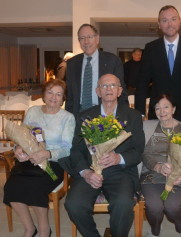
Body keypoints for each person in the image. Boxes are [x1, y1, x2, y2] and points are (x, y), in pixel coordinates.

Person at [60, 74, 145, 237]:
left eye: (113, 85)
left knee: (123, 204)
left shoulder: (133, 116)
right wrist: (85, 172)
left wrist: (117, 158)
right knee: (73, 204)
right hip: (90, 171)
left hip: (120, 172)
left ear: (120, 91)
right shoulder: (85, 116)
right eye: (104, 86)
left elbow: (137, 151)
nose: (108, 89)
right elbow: (76, 150)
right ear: (97, 91)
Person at [4, 79, 75, 237]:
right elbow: (21, 135)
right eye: (50, 92)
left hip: (52, 163)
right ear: (43, 94)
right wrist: (18, 150)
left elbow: (67, 148)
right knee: (11, 188)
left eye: (58, 94)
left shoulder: (68, 118)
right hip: (29, 160)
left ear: (63, 98)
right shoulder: (33, 111)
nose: (53, 97)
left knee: (35, 187)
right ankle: (29, 228)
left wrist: (46, 154)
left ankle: (44, 229)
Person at [135, 5, 181, 124]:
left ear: (179, 21)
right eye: (164, 20)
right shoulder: (150, 49)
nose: (169, 24)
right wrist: (140, 115)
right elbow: (142, 84)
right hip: (158, 113)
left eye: (173, 19)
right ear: (159, 25)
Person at [141, 94, 181, 237]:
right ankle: (155, 229)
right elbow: (143, 153)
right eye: (158, 108)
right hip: (152, 175)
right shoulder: (146, 126)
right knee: (154, 206)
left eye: (166, 107)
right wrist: (157, 166)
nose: (162, 111)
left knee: (172, 207)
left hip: (180, 177)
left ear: (174, 109)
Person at [65, 23, 128, 118]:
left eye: (89, 37)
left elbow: (121, 92)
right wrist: (68, 117)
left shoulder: (112, 61)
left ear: (97, 39)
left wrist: (122, 117)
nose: (86, 42)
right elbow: (70, 96)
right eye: (82, 38)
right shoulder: (72, 63)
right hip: (78, 115)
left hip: (105, 115)